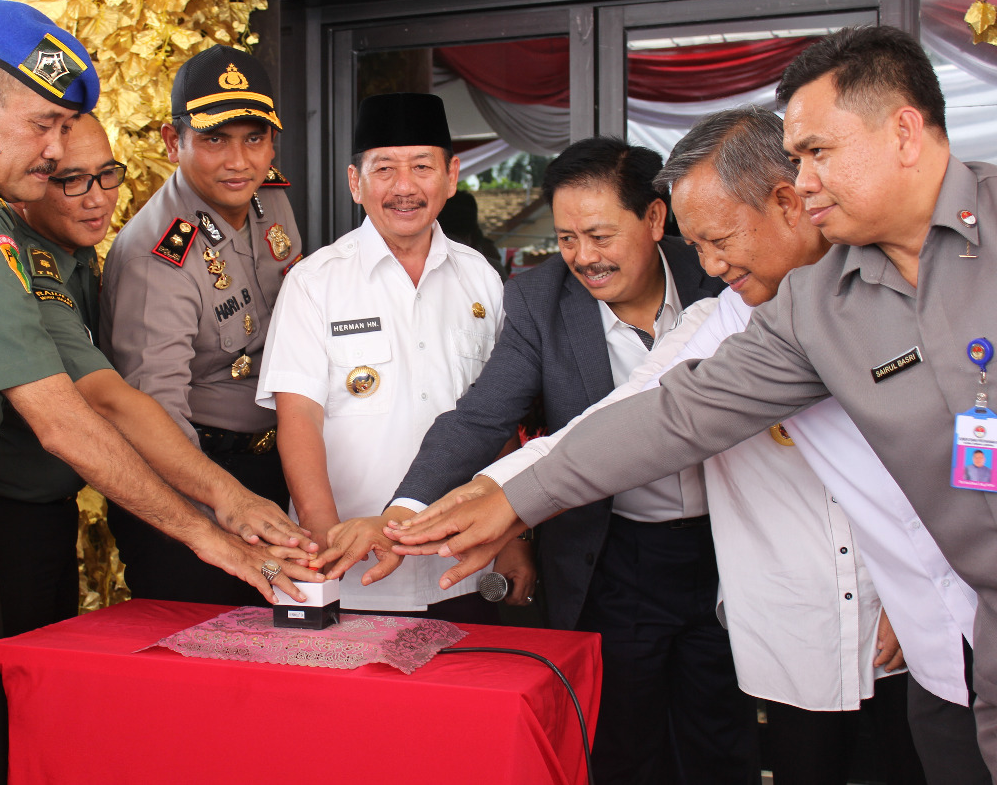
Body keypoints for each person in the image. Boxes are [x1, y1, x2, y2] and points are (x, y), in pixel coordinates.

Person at [387, 25, 997, 782]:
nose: (805, 183)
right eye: (798, 160)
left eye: (817, 153)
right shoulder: (808, 310)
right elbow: (665, 413)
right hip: (934, 663)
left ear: (904, 131)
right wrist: (507, 497)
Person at [0, 0, 317, 785]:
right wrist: (206, 529)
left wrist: (231, 500)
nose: (52, 154)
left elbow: (107, 394)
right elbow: (68, 419)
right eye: (43, 126)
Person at [486, 106, 934, 784]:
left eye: (719, 239)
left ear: (787, 202)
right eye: (696, 247)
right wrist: (495, 499)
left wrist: (915, 580)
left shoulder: (897, 288)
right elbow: (627, 417)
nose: (709, 263)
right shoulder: (716, 322)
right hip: (788, 632)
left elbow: (947, 455)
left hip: (911, 625)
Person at [382, 137, 743, 783]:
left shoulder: (716, 271)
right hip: (616, 557)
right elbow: (481, 415)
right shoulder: (539, 299)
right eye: (567, 237)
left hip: (733, 549)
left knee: (723, 736)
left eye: (600, 235)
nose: (583, 257)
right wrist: (408, 507)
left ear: (656, 220)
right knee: (624, 744)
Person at [0, 114, 316, 635]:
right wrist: (223, 506)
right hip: (19, 506)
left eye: (106, 175)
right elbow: (114, 402)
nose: (98, 197)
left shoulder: (76, 257)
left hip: (72, 499)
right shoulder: (40, 266)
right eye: (70, 180)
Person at [255, 92, 506, 621]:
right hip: (354, 572)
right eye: (385, 169)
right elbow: (297, 416)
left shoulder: (480, 277)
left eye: (422, 166)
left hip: (459, 564)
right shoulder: (315, 282)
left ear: (452, 175)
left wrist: (514, 534)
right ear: (356, 182)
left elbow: (499, 413)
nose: (405, 187)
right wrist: (324, 536)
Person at [101, 44, 304, 606]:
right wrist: (215, 529)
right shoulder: (157, 254)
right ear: (174, 142)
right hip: (196, 487)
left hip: (272, 475)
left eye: (254, 138)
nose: (239, 161)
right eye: (214, 139)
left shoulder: (271, 199)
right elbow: (153, 418)